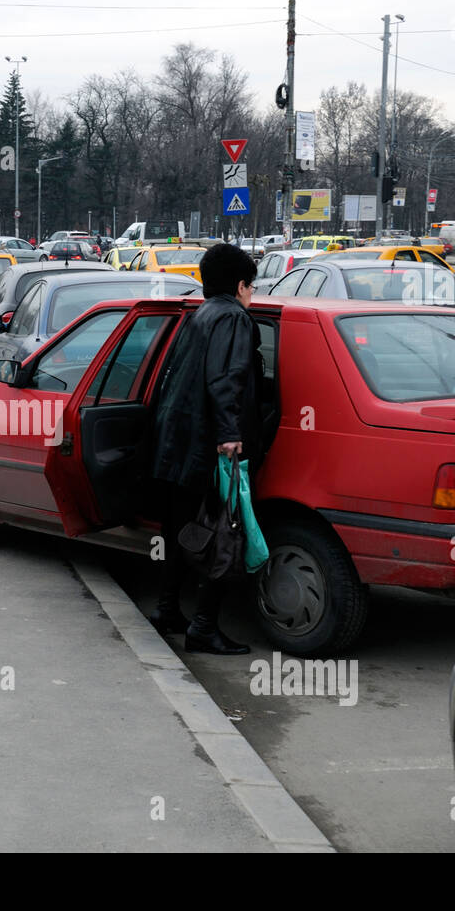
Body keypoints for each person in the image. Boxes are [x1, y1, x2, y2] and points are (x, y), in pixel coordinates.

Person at [148, 243, 263, 655]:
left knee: (181, 530)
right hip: (210, 448)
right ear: (239, 285)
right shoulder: (233, 318)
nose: (253, 295)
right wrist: (230, 435)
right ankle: (203, 626)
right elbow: (225, 378)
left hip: (177, 443)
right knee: (221, 534)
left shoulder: (199, 314)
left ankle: (167, 610)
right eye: (252, 286)